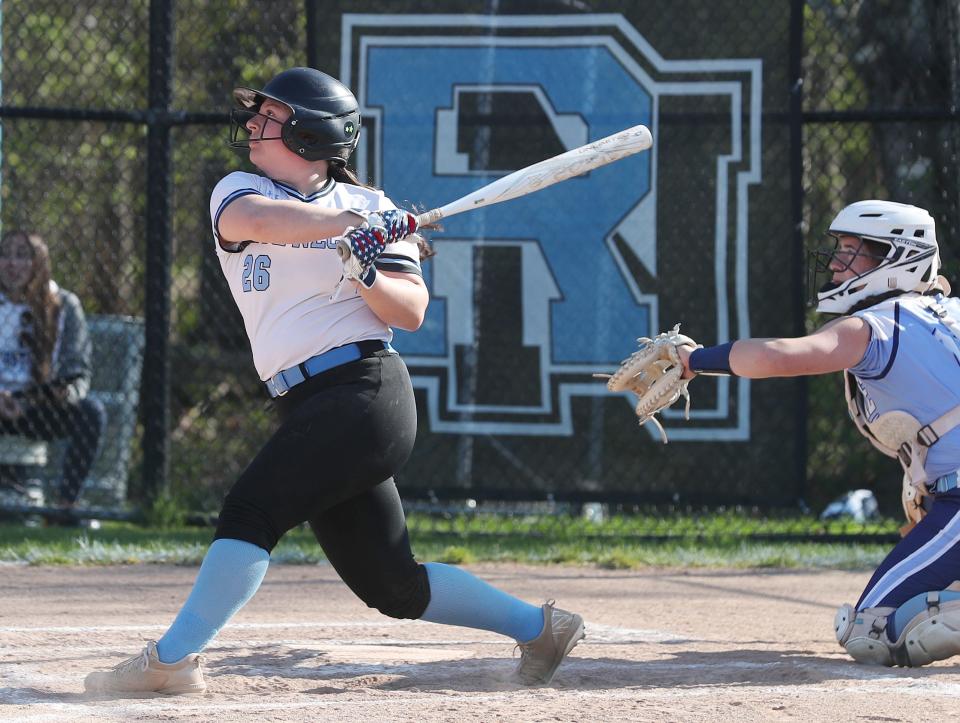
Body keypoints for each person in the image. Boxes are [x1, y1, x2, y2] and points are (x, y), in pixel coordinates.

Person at [84, 67, 584, 696]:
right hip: (306, 404)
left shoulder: (375, 209)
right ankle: (542, 629)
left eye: (270, 117)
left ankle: (170, 661)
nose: (254, 125)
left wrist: (366, 271)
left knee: (251, 511)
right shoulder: (241, 191)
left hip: (366, 392)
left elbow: (409, 311)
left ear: (312, 134)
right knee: (392, 585)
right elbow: (259, 223)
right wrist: (345, 232)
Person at [674, 199, 960, 667]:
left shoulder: (878, 324)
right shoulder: (948, 312)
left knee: (871, 628)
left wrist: (694, 361)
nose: (836, 264)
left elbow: (780, 356)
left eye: (852, 251)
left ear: (896, 260)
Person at [0, 230, 106, 510]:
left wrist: (63, 393)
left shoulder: (64, 305)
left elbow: (78, 370)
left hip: (38, 407)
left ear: (40, 263)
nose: (11, 264)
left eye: (22, 256)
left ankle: (65, 505)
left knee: (91, 412)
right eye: (5, 255)